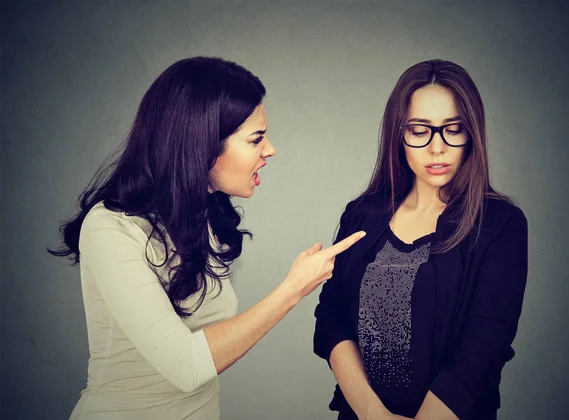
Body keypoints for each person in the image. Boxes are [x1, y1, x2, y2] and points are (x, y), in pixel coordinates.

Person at [49, 56, 365, 420]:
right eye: (256, 139)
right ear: (201, 144)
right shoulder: (109, 229)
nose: (270, 149)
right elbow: (185, 365)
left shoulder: (203, 218)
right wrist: (291, 289)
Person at [313, 59, 528, 420]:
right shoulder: (361, 214)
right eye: (419, 130)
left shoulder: (500, 225)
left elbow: (482, 350)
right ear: (400, 134)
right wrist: (370, 413)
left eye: (453, 129)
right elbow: (331, 318)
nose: (437, 148)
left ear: (471, 133)